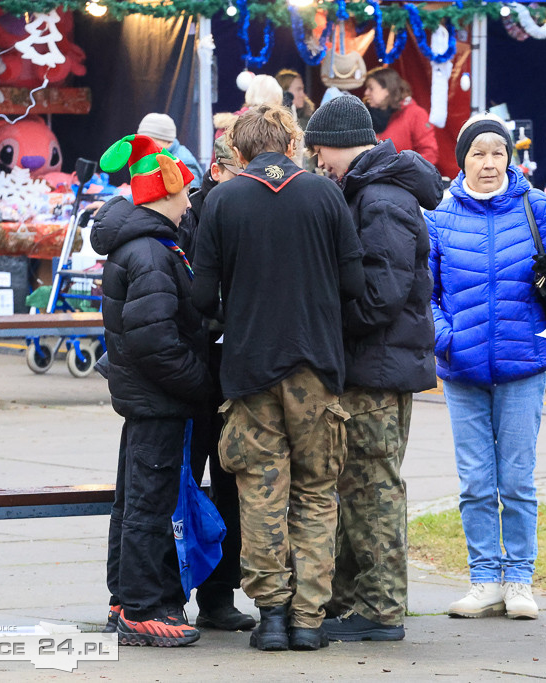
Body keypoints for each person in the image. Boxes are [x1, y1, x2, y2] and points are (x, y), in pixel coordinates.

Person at [191, 104, 365, 652]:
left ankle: (269, 617)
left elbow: (202, 296)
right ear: (292, 145)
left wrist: (239, 309)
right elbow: (354, 284)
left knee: (260, 492)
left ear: (238, 152)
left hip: (249, 369)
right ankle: (308, 621)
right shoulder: (325, 194)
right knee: (316, 493)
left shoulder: (222, 200)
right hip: (316, 365)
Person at [426, 113, 546, 620]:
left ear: (509, 158)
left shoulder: (536, 206)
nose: (489, 162)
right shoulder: (440, 216)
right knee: (475, 482)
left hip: (523, 364)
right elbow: (424, 294)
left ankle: (518, 580)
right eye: (478, 153)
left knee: (516, 481)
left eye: (498, 152)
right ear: (463, 161)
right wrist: (446, 339)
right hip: (462, 369)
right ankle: (484, 580)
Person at [302, 95, 445, 642]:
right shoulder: (371, 190)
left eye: (321, 151)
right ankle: (353, 600)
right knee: (359, 487)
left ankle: (382, 610)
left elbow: (381, 295)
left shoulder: (381, 199)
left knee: (372, 490)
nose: (320, 163)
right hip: (375, 364)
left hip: (377, 369)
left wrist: (328, 325)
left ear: (343, 143)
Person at [92, 134, 210, 646]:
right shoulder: (150, 253)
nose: (189, 201)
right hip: (160, 400)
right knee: (148, 504)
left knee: (134, 501)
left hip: (147, 399)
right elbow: (156, 342)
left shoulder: (144, 245)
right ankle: (140, 609)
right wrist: (202, 384)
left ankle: (124, 598)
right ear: (164, 193)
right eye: (183, 191)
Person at [172, 134, 255, 634]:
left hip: (234, 366)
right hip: (196, 367)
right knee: (183, 484)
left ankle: (219, 595)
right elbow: (186, 295)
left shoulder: (248, 208)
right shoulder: (190, 215)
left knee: (231, 484)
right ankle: (170, 593)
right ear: (217, 170)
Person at [364, 66, 438, 166]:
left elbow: (429, 153)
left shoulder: (416, 114)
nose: (366, 92)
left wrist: (402, 170)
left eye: (371, 88)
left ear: (387, 90)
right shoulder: (366, 116)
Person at [137, 113, 203, 189]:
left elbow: (191, 194)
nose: (144, 147)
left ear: (167, 141)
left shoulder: (184, 163)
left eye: (150, 142)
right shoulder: (152, 158)